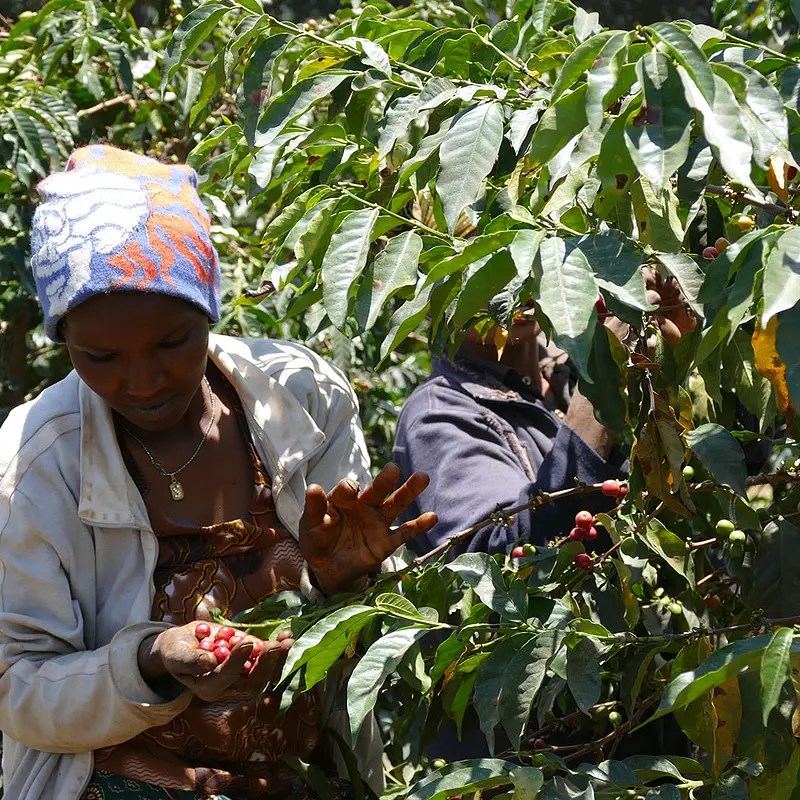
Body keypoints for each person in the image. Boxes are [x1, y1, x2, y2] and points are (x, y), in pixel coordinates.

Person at [0, 145, 437, 800]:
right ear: (65, 342)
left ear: (207, 309)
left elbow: (374, 638)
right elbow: (19, 687)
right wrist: (152, 660)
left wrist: (342, 578)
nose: (144, 381)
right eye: (101, 357)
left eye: (173, 342)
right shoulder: (33, 461)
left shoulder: (305, 398)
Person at [393, 279, 696, 556]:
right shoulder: (438, 414)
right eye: (478, 265)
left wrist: (684, 354)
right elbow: (502, 563)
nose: (509, 280)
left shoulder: (567, 370)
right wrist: (603, 376)